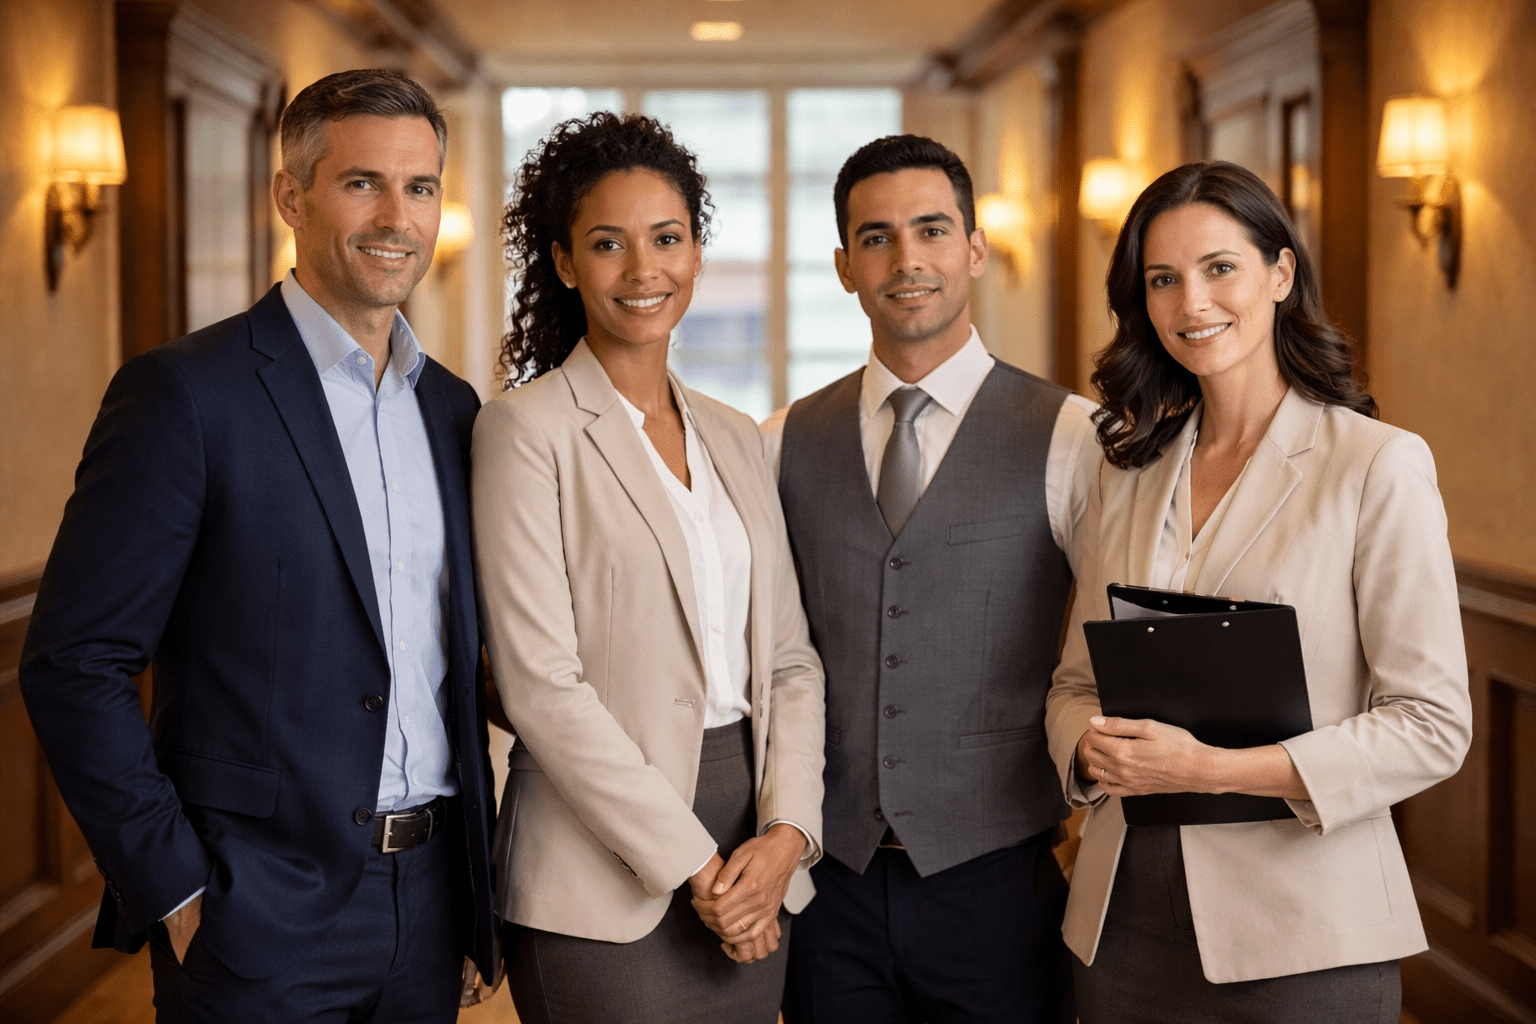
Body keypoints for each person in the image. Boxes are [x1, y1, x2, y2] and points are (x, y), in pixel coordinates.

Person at [18, 69, 498, 1022]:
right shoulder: (186, 394)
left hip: (435, 896)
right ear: (291, 194)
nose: (396, 216)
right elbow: (74, 661)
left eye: (421, 187)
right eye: (363, 182)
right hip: (253, 912)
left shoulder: (454, 408)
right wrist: (178, 889)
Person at [1045, 160, 1473, 1022]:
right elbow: (1075, 685)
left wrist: (1212, 770)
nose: (1191, 302)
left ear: (1279, 274)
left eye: (1219, 268)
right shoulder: (1126, 471)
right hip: (1122, 921)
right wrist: (1088, 756)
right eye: (1162, 280)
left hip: (1306, 927)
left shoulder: (1377, 465)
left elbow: (1432, 725)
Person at [472, 111, 826, 1024]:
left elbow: (789, 659)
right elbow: (541, 686)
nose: (643, 271)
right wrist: (702, 872)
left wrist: (786, 837)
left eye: (667, 239)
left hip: (752, 842)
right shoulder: (525, 432)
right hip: (598, 871)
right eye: (607, 244)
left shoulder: (737, 436)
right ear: (562, 262)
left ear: (698, 254)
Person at [763, 134, 1099, 1024]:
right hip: (827, 882)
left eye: (932, 230)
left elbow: (1104, 654)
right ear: (843, 266)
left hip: (1000, 879)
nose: (906, 259)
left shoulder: (1073, 436)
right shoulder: (779, 441)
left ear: (975, 250)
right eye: (876, 237)